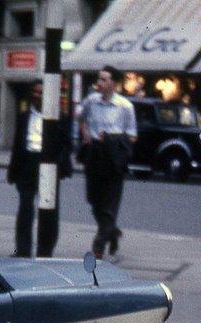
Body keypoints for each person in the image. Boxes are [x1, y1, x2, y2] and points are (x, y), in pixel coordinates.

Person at [7, 79, 74, 258]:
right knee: (25, 209)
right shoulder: (24, 116)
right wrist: (13, 171)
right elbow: (17, 145)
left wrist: (56, 164)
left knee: (49, 212)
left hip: (48, 165)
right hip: (28, 164)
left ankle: (45, 251)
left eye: (42, 93)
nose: (38, 96)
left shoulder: (60, 117)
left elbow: (67, 145)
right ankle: (23, 251)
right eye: (36, 92)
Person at [79, 66, 137, 259]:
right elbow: (80, 115)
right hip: (94, 152)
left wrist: (112, 140)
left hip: (113, 156)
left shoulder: (125, 106)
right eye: (99, 79)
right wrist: (85, 131)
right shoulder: (91, 101)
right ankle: (112, 232)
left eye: (104, 80)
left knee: (110, 203)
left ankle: (99, 244)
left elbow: (132, 136)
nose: (100, 83)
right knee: (94, 200)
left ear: (113, 83)